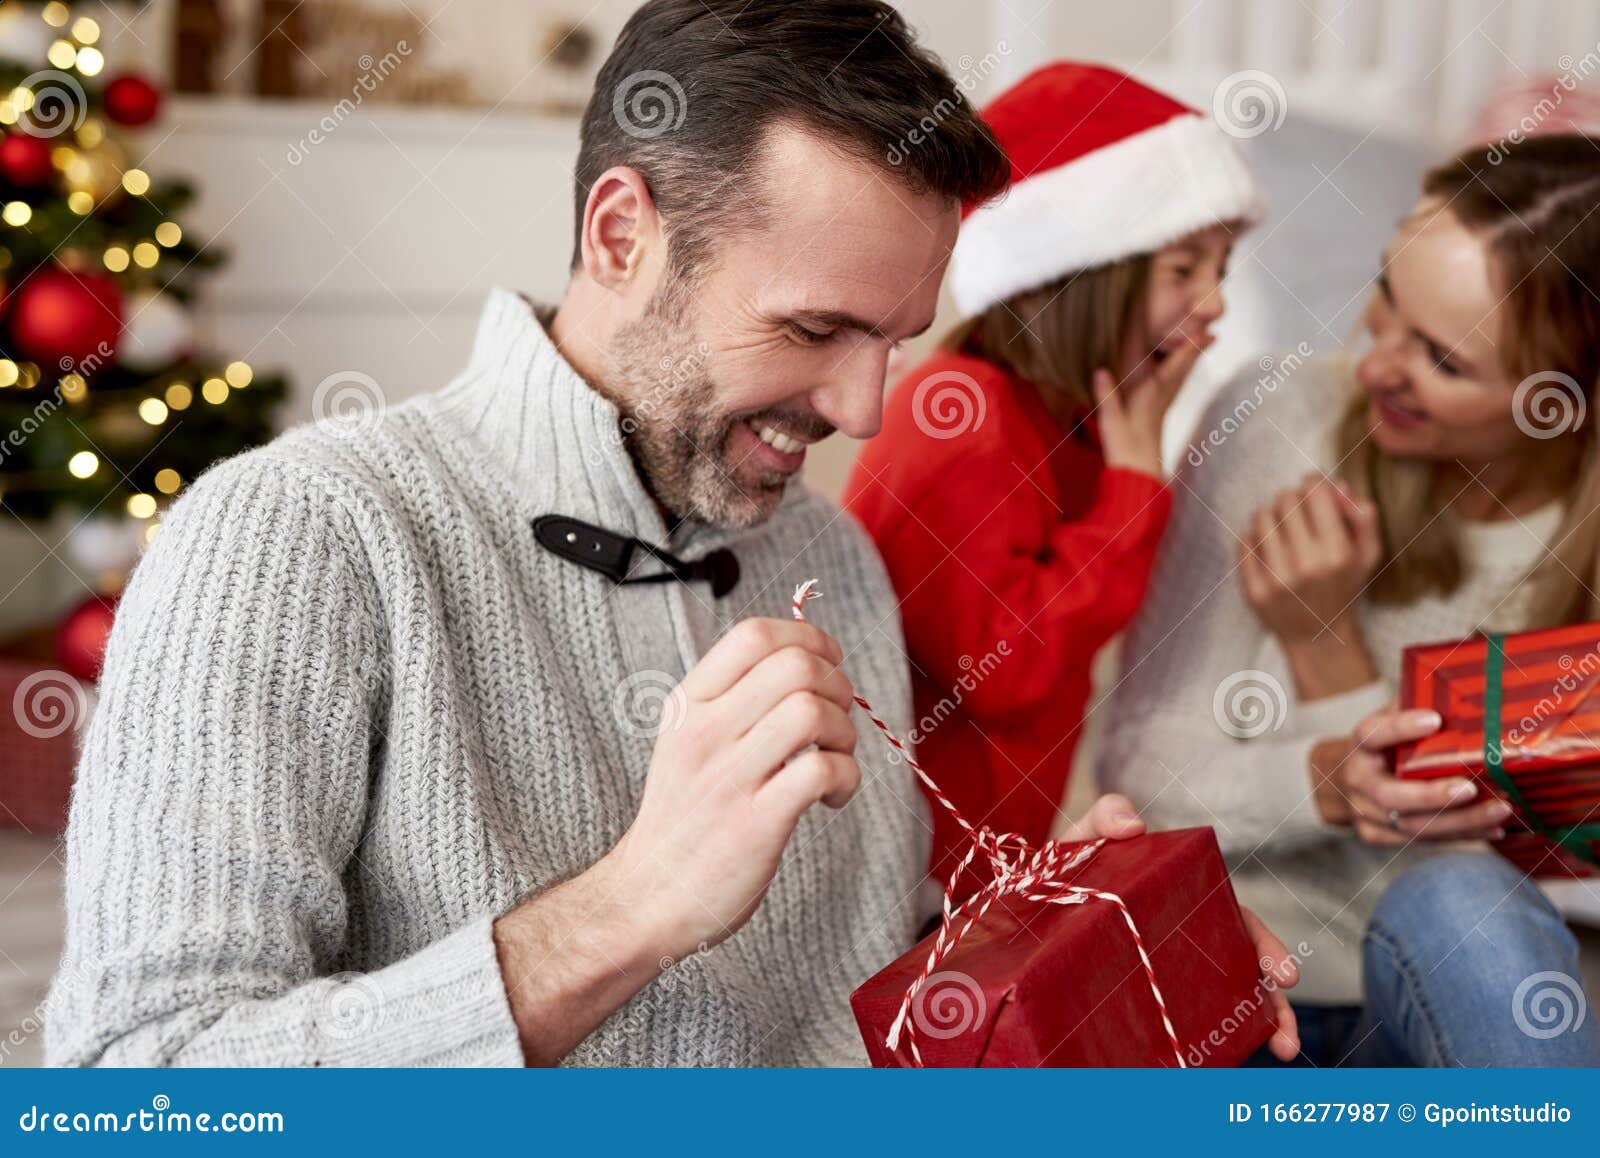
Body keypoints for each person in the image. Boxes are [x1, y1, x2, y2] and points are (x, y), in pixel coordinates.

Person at [45, 1, 1299, 1067]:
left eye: (895, 340)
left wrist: (1068, 935)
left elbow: (864, 997)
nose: (863, 409)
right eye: (813, 331)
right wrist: (633, 905)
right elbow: (140, 1083)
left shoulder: (829, 562)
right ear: (621, 235)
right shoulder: (298, 537)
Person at [1099, 134, 1600, 1066]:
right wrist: (1324, 778)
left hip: (1452, 1019)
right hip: (1233, 993)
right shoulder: (1278, 417)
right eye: (1386, 293)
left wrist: (1327, 657)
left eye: (1443, 362)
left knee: (1465, 906)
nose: (1373, 364)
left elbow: (1489, 908)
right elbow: (1136, 777)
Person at [844, 64, 1263, 881]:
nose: (1214, 302)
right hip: (915, 866)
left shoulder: (1071, 416)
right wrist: (1136, 484)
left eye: (1222, 269)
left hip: (994, 841)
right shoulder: (966, 413)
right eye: (1184, 269)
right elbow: (1006, 671)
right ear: (1085, 276)